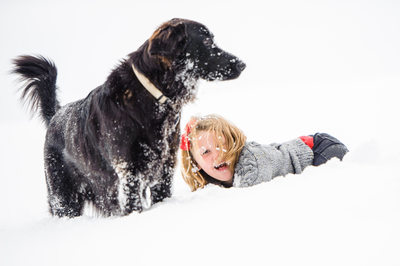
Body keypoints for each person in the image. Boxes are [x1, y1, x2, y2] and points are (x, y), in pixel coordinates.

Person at [180, 114, 348, 191]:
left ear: (233, 141)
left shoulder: (252, 166)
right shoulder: (212, 185)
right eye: (206, 152)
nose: (217, 154)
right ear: (196, 164)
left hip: (319, 149)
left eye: (221, 145)